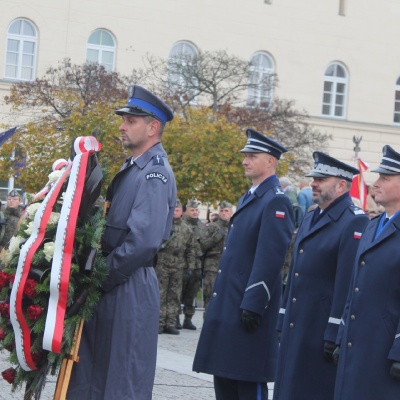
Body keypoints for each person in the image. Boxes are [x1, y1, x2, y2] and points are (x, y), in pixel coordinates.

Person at [67, 85, 176, 400]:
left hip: (128, 285)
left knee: (120, 381)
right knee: (93, 377)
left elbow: (143, 241)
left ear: (152, 127)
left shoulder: (155, 174)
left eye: (131, 120)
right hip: (115, 281)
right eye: (124, 119)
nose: (122, 126)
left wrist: (99, 278)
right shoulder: (133, 169)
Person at [193, 128, 294, 400]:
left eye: (252, 156)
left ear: (270, 161)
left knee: (247, 385)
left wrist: (253, 304)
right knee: (226, 383)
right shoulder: (250, 196)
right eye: (245, 155)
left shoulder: (276, 201)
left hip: (249, 311)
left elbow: (270, 258)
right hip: (231, 304)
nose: (245, 161)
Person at [273, 152, 369, 400]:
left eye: (322, 179)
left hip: (321, 327)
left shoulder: (353, 222)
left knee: (311, 390)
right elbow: (295, 273)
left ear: (341, 185)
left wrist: (334, 330)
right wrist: (283, 316)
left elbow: (347, 281)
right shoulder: (311, 216)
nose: (314, 183)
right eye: (314, 178)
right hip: (298, 322)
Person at [333, 145, 400, 399]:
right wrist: (341, 336)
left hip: (384, 348)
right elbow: (355, 287)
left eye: (386, 177)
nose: (377, 183)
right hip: (357, 342)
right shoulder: (373, 226)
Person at [156, 199, 196, 335]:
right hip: (162, 264)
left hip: (179, 266)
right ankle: (159, 323)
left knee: (174, 295)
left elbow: (191, 249)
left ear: (181, 212)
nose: (175, 213)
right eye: (173, 210)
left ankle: (171, 323)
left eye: (177, 210)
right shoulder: (162, 226)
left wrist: (190, 267)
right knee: (160, 294)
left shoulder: (187, 229)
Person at [201, 201, 233, 315]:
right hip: (212, 265)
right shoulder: (213, 227)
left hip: (229, 266)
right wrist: (216, 237)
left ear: (231, 212)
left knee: (227, 296)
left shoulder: (235, 227)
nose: (223, 213)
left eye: (226, 211)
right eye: (221, 211)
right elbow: (203, 245)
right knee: (210, 294)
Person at [179, 200, 207, 330]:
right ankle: (174, 319)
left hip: (197, 265)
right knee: (177, 293)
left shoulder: (202, 227)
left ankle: (188, 319)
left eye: (196, 210)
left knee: (192, 293)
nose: (195, 212)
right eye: (192, 210)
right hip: (182, 264)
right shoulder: (181, 224)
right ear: (185, 212)